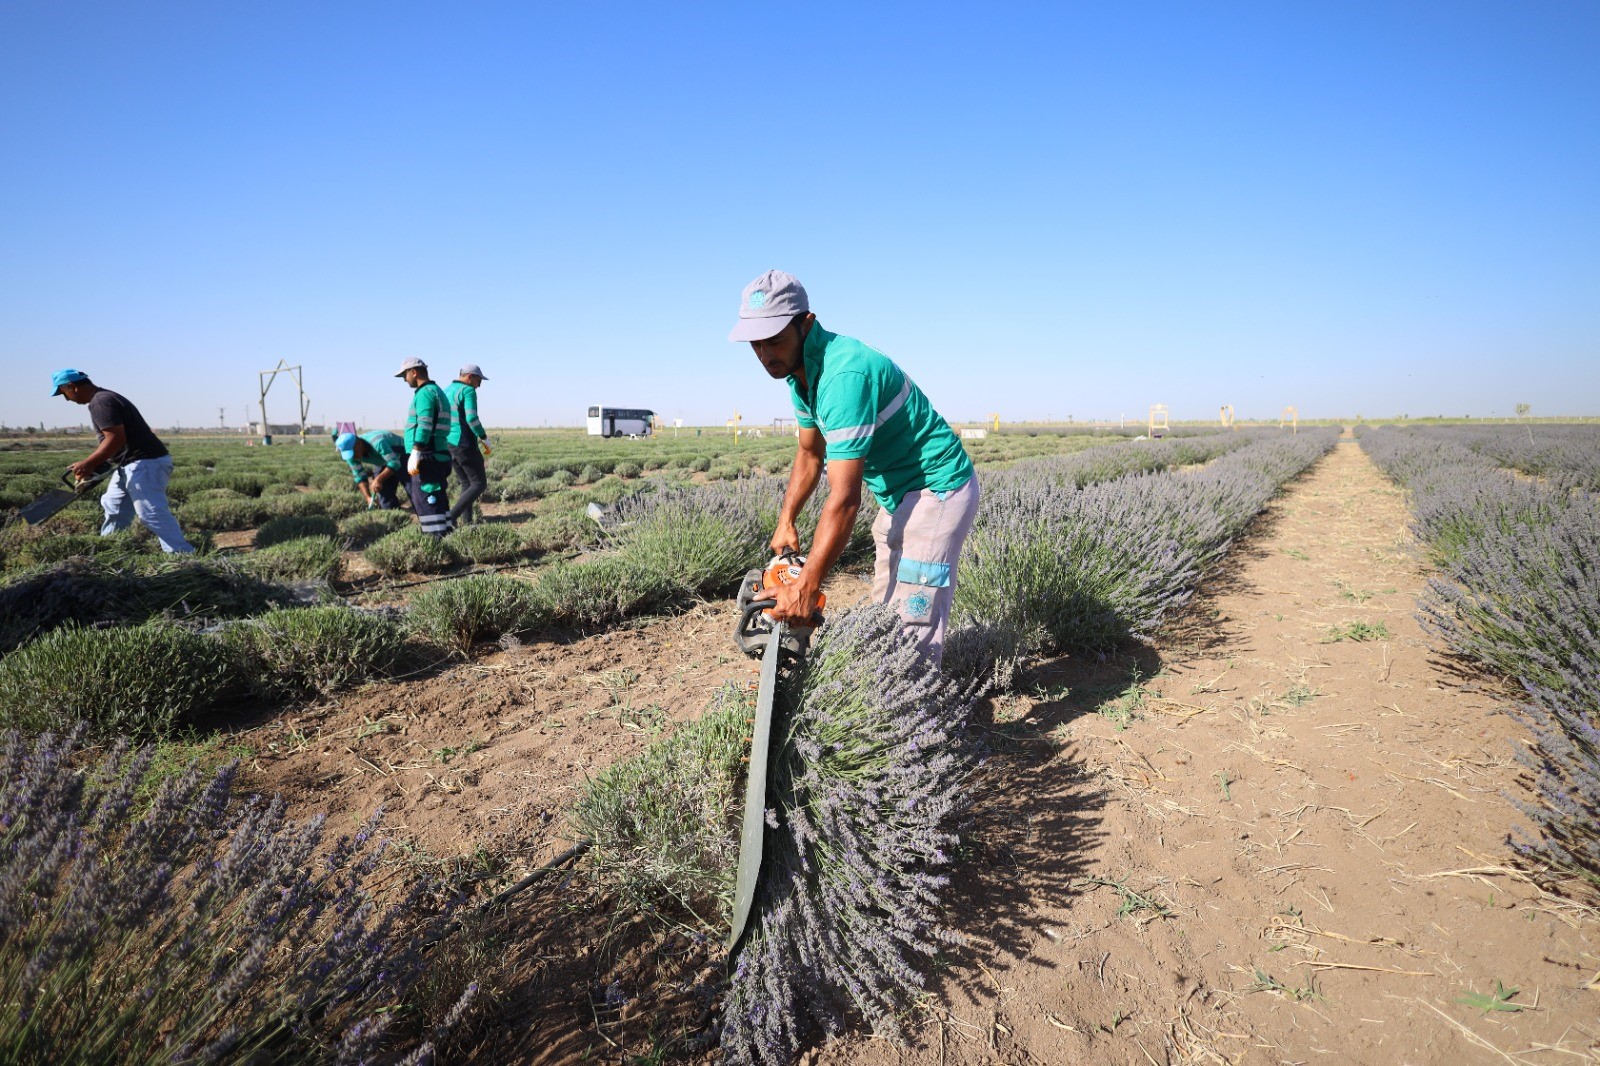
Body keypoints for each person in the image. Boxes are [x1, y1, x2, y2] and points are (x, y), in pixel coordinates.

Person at [729, 271, 978, 666]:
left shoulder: (843, 375)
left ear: (806, 324)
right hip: (897, 495)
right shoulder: (801, 375)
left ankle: (920, 717)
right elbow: (811, 454)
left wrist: (808, 585)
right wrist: (786, 519)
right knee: (885, 612)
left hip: (937, 490)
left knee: (916, 617)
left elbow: (844, 499)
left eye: (774, 339)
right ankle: (887, 692)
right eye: (755, 343)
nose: (764, 353)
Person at [51, 368, 195, 554]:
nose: (67, 399)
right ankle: (108, 551)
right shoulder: (103, 399)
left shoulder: (101, 402)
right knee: (114, 507)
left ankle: (183, 556)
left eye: (64, 394)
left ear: (72, 387)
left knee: (151, 514)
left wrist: (89, 463)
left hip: (145, 463)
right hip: (130, 464)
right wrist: (94, 463)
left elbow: (115, 439)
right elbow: (113, 441)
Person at [395, 357, 454, 538]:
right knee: (438, 500)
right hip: (437, 454)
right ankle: (447, 538)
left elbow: (425, 424)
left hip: (428, 456)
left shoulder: (425, 393)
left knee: (427, 501)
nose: (405, 379)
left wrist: (416, 451)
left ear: (414, 372)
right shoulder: (436, 391)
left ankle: (435, 544)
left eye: (405, 375)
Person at [444, 364, 493, 526]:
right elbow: (471, 418)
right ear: (470, 376)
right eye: (479, 381)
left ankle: (468, 521)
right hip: (463, 442)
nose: (479, 386)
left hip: (448, 442)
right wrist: (483, 436)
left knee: (466, 482)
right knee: (479, 483)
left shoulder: (447, 390)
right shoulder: (467, 390)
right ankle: (451, 518)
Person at [335, 429, 407, 510]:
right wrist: (368, 497)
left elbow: (394, 463)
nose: (352, 457)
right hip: (382, 460)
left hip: (402, 454)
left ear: (359, 444)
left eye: (352, 452)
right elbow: (359, 476)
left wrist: (379, 479)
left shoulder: (377, 442)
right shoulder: (351, 456)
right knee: (384, 495)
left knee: (414, 491)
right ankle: (395, 517)